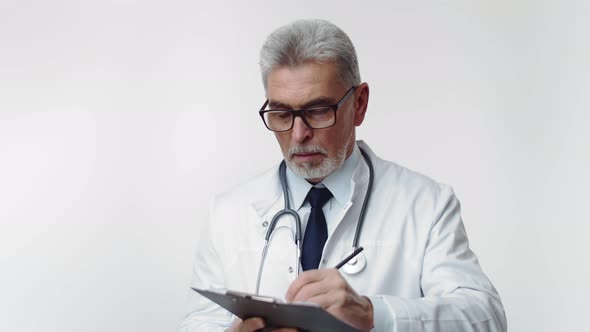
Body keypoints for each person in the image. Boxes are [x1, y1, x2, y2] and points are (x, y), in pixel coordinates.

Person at [179, 19, 507, 332]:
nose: (298, 134)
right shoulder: (227, 212)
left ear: (359, 104)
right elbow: (198, 322)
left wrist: (371, 313)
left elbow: (485, 318)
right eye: (281, 113)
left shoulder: (427, 204)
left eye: (318, 110)